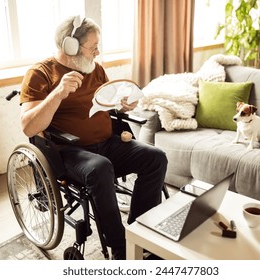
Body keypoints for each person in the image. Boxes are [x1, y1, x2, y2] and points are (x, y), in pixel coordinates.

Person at [19, 16, 167, 260]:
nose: (97, 53)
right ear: (71, 47)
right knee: (100, 168)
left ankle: (141, 232)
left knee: (156, 158)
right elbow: (28, 127)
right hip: (68, 153)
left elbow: (108, 102)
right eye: (93, 47)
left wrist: (123, 105)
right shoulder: (40, 74)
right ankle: (121, 248)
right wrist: (58, 93)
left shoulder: (94, 68)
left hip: (107, 143)